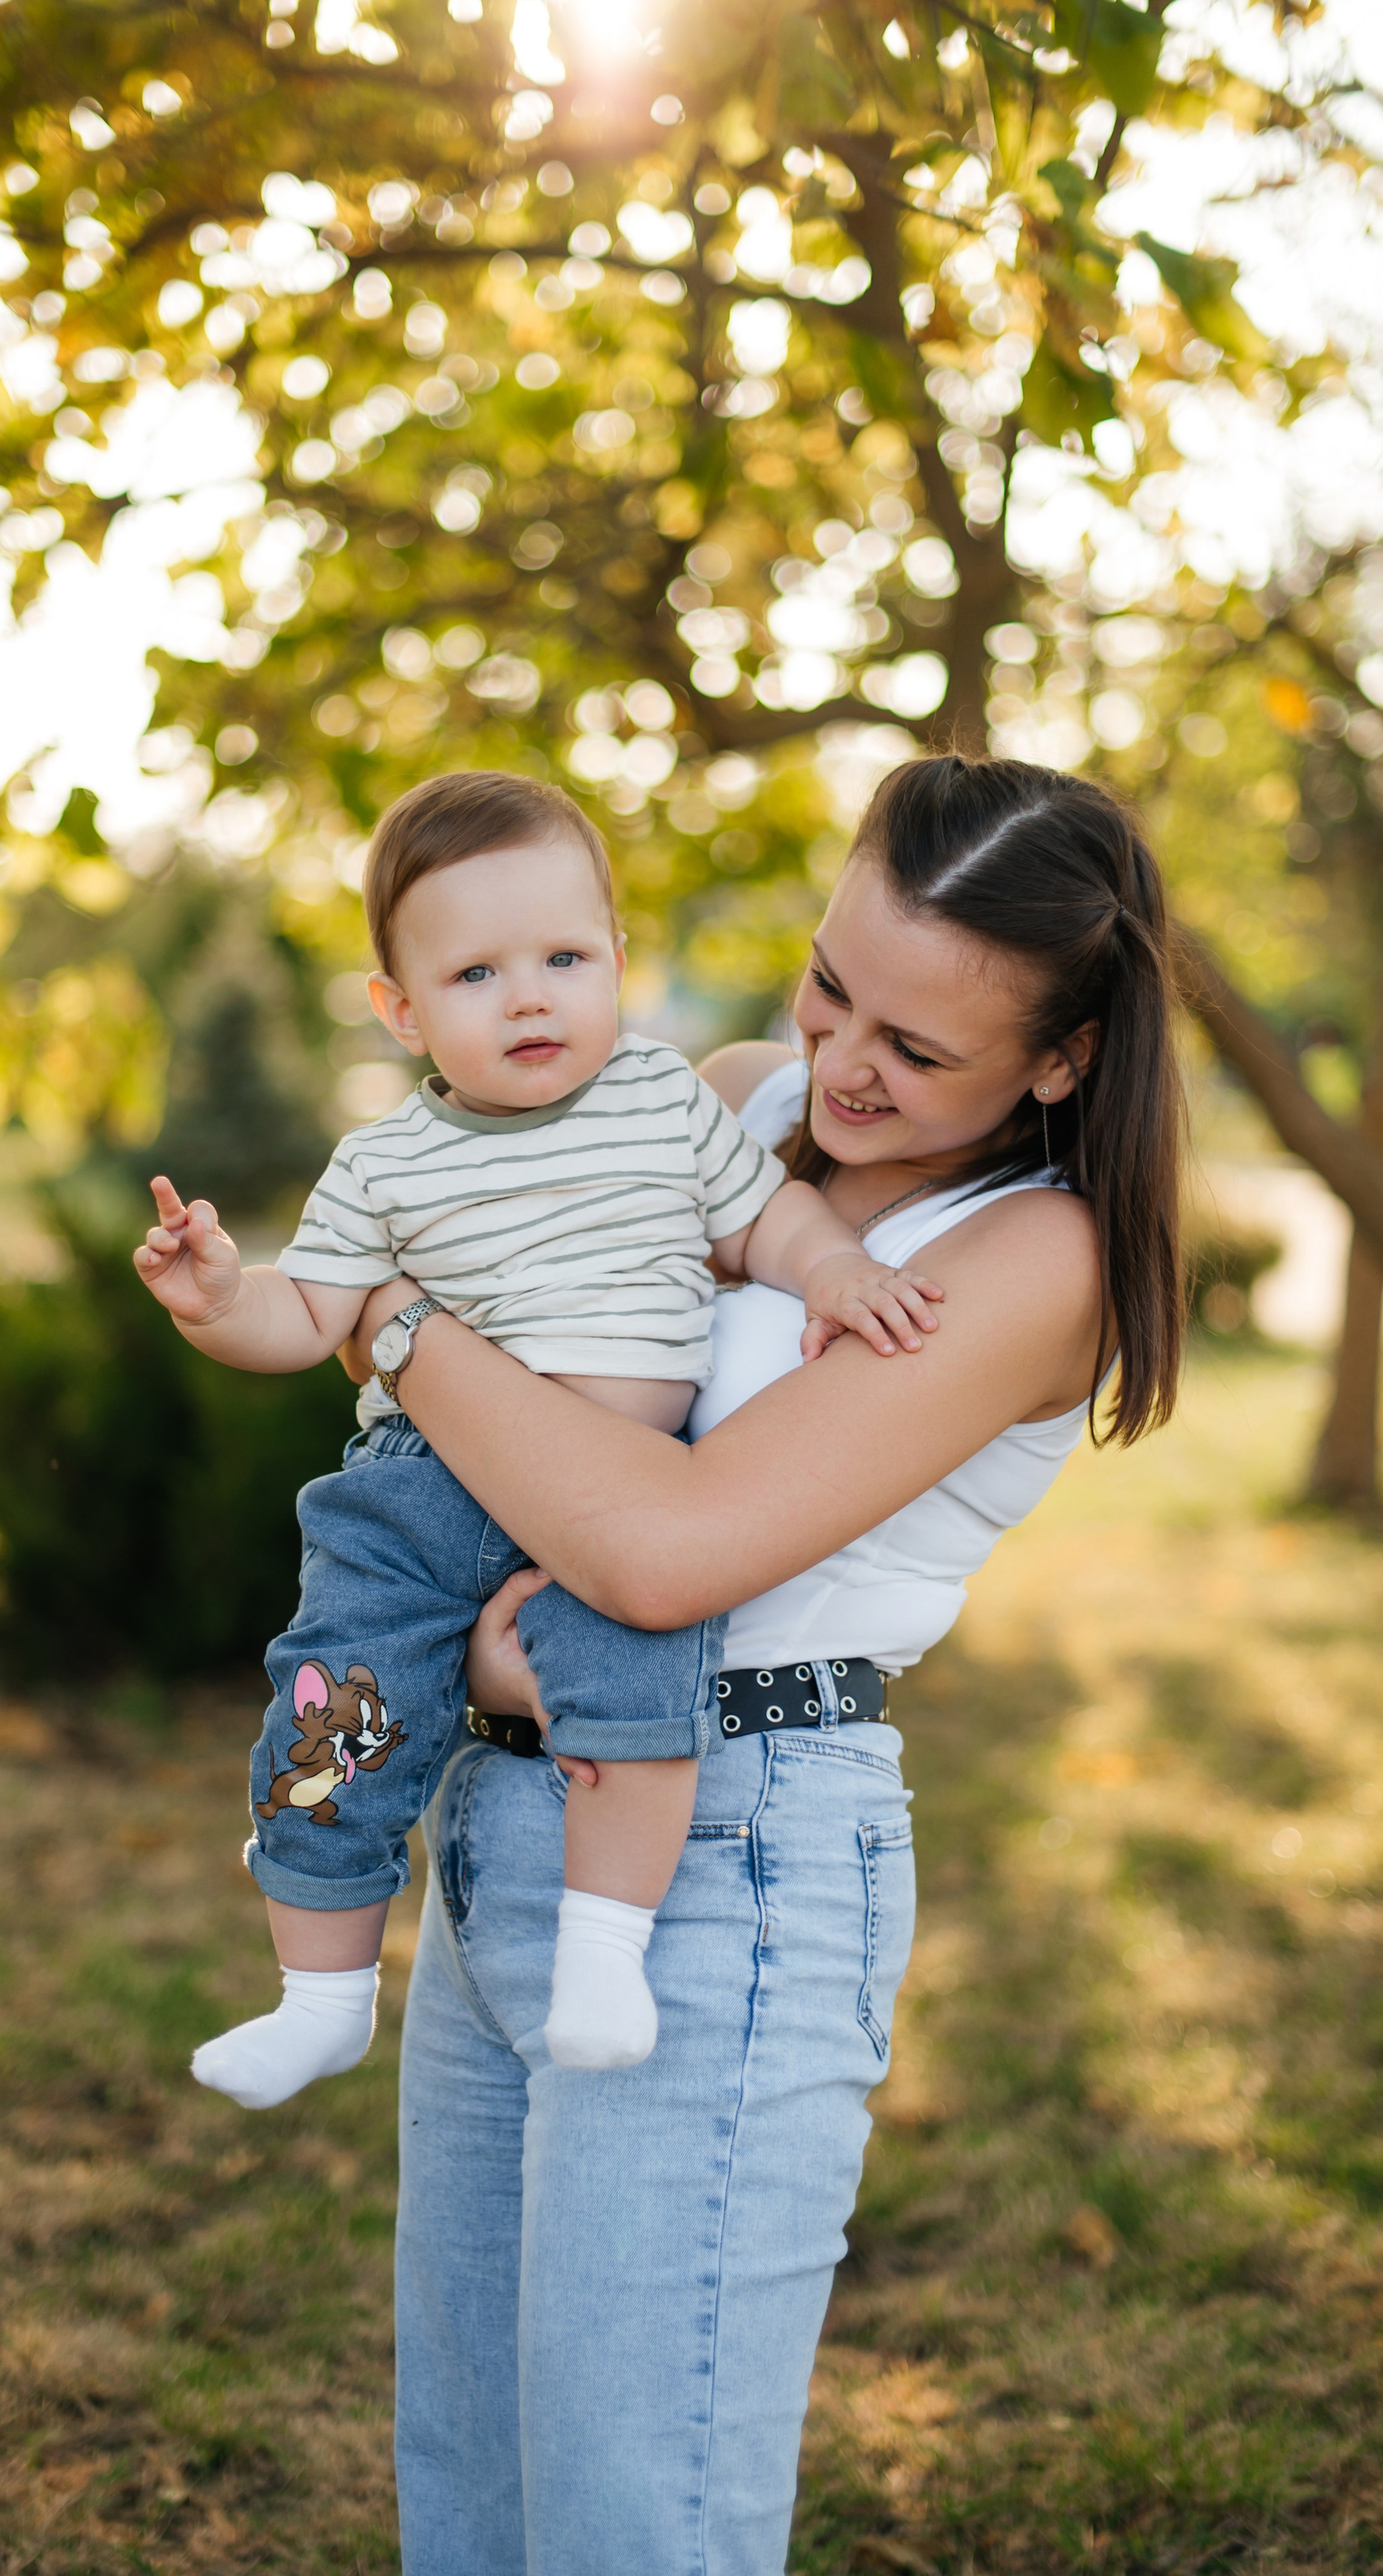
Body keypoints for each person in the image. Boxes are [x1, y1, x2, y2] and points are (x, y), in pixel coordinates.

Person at [340, 753, 1185, 2576]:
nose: (846, 1065)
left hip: (732, 1858)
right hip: (501, 1822)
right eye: (830, 985)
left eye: (922, 1046)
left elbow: (661, 1546)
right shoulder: (735, 1100)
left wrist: (390, 1315)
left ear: (1061, 1058)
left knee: (633, 2523)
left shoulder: (1035, 1259)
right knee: (471, 2496)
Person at [132, 771, 942, 2095]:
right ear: (398, 1010)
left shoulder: (666, 1106)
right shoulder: (385, 1164)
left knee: (641, 1682)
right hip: (428, 1481)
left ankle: (602, 1958)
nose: (528, 996)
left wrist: (836, 1272)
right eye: (474, 974)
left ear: (619, 960)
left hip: (618, 1487)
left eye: (564, 957)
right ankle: (321, 1990)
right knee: (343, 1700)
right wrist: (221, 1299)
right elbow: (310, 1314)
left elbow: (764, 1224)